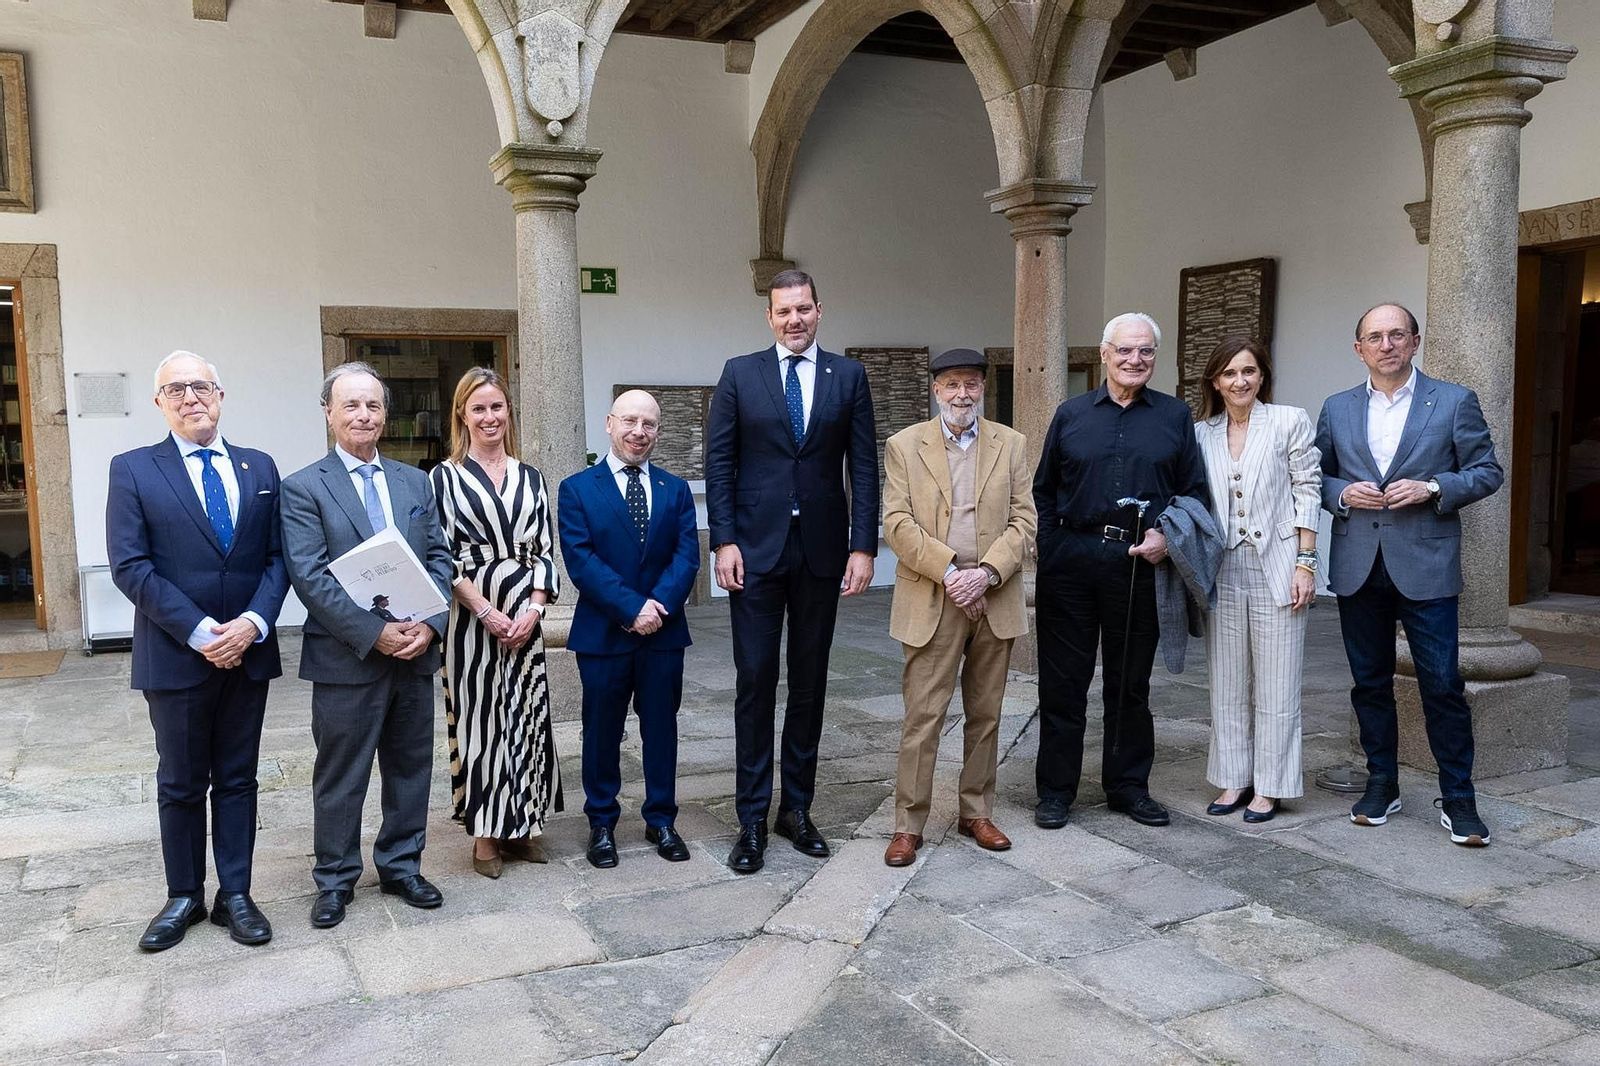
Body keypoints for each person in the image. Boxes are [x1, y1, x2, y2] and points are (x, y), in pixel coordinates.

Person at [107, 351, 289, 951]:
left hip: (249, 652)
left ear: (220, 394)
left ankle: (234, 892)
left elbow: (275, 559)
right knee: (181, 781)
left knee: (237, 778)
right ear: (159, 402)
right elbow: (130, 567)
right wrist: (202, 632)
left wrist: (256, 623)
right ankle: (182, 894)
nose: (191, 397)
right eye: (176, 388)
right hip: (177, 655)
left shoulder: (259, 465)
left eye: (202, 386)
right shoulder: (133, 470)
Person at [705, 268, 879, 874]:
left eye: (803, 309)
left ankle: (796, 808)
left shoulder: (849, 376)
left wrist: (864, 546)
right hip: (754, 552)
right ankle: (751, 817)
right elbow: (720, 462)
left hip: (823, 552)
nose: (794, 320)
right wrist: (722, 541)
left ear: (819, 310)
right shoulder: (739, 374)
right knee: (754, 678)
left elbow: (863, 466)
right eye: (783, 312)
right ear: (769, 317)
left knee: (809, 681)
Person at [1316, 303, 1504, 846]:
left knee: (1442, 684)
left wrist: (1434, 488)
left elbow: (1486, 471)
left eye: (1397, 334)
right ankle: (1382, 785)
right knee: (1369, 683)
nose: (1386, 344)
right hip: (1357, 565)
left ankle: (1460, 800)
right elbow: (1316, 473)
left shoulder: (1452, 401)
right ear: (1359, 349)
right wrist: (1339, 495)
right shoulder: (1338, 407)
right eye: (1374, 336)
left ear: (1415, 341)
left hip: (1426, 563)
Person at [281, 362, 453, 927]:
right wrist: (374, 633)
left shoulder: (414, 482)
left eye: (373, 406)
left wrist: (430, 622)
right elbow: (310, 576)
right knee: (341, 775)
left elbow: (438, 558)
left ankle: (402, 866)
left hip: (414, 651)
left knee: (410, 768)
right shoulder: (304, 487)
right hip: (346, 658)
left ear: (386, 414)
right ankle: (334, 879)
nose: (363, 415)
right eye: (350, 405)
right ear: (328, 412)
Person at [1032, 313, 1208, 830]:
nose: (1136, 360)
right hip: (1071, 563)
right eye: (1126, 351)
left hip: (1140, 564)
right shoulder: (1071, 413)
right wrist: (1052, 545)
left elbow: (1193, 493)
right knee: (1063, 684)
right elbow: (1043, 490)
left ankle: (1128, 786)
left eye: (1146, 352)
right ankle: (1056, 792)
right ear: (1105, 354)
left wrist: (1165, 538)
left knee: (1130, 684)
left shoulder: (1175, 417)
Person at [881, 350, 1036, 866]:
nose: (961, 394)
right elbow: (897, 523)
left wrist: (987, 573)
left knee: (986, 714)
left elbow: (1024, 522)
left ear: (983, 390)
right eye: (951, 385)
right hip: (934, 593)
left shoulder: (1011, 445)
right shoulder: (905, 445)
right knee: (923, 716)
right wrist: (951, 572)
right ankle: (909, 824)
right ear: (936, 390)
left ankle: (976, 811)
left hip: (994, 593)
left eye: (971, 384)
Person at [558, 390, 700, 868]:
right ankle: (601, 823)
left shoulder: (675, 490)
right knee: (601, 731)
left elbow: (687, 556)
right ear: (609, 423)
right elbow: (580, 560)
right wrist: (631, 607)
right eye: (631, 421)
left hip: (663, 632)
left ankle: (661, 819)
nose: (640, 432)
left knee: (661, 728)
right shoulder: (577, 489)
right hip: (604, 633)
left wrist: (656, 607)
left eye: (650, 425)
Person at [430, 367, 562, 879]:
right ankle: (486, 836)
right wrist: (488, 612)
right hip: (471, 624)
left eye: (497, 407)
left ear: (509, 412)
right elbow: (441, 556)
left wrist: (531, 612)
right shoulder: (443, 477)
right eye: (478, 408)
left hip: (525, 625)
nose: (490, 417)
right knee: (483, 721)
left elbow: (546, 552)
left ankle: (524, 827)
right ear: (462, 414)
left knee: (527, 719)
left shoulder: (531, 477)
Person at [1193, 336, 1321, 824]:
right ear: (1215, 382)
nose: (1239, 381)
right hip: (1222, 568)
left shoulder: (1289, 420)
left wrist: (1306, 563)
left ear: (1262, 375)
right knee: (1226, 681)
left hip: (1279, 564)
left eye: (1248, 371)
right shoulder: (1201, 432)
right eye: (1228, 373)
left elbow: (1307, 489)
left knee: (1278, 681)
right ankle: (1232, 778)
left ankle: (1271, 786)